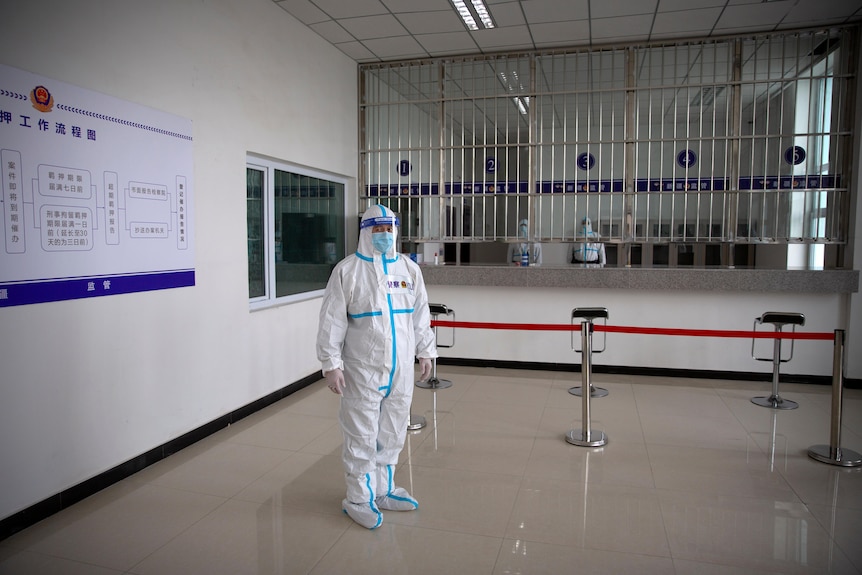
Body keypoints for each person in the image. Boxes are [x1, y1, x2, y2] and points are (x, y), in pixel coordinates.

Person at [316, 204, 436, 530]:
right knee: (361, 433)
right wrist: (331, 363)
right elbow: (332, 321)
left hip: (401, 370)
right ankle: (357, 497)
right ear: (365, 232)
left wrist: (426, 351)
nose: (384, 235)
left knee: (393, 430)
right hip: (362, 369)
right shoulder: (348, 271)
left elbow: (420, 315)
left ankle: (383, 490)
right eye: (377, 229)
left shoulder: (408, 270)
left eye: (388, 229)